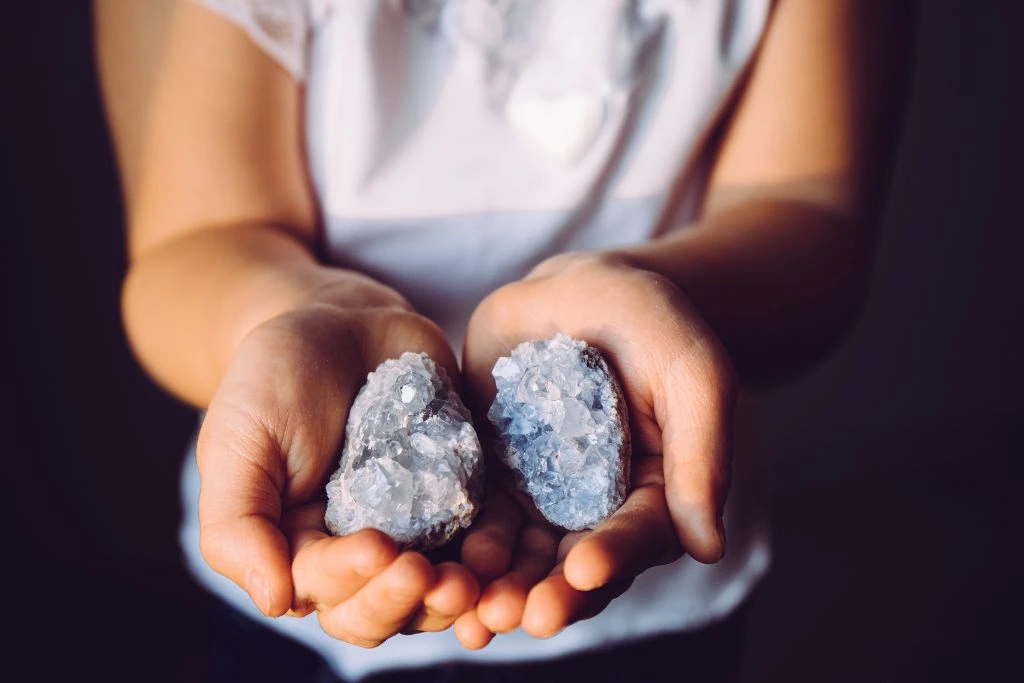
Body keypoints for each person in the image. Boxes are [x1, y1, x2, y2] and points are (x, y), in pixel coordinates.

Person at [95, 0, 915, 680]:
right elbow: (193, 244)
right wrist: (298, 315)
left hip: (650, 598)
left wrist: (654, 296)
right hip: (297, 582)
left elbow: (814, 222)